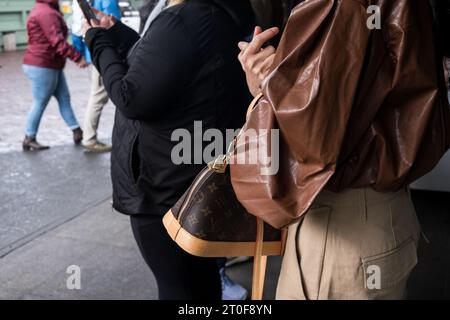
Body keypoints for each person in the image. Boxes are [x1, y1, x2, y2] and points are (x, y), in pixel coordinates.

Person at [234, 0, 450, 300]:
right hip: (388, 214)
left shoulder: (340, 5)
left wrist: (264, 87)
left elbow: (312, 142)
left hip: (340, 230)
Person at [83, 0, 254, 299]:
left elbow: (131, 97)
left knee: (179, 286)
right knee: (201, 284)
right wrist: (118, 34)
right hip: (196, 184)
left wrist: (98, 42)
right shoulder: (219, 13)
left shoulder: (180, 20)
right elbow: (162, 66)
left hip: (164, 192)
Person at [22, 0, 88, 151]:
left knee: (64, 98)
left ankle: (77, 131)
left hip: (48, 63)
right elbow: (57, 41)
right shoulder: (47, 13)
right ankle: (29, 137)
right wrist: (77, 57)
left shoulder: (43, 8)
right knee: (40, 102)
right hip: (42, 64)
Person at [82, 0, 121, 152]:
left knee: (97, 96)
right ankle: (89, 138)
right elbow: (113, 26)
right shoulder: (107, 2)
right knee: (98, 97)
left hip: (97, 51)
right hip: (106, 53)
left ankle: (88, 137)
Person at [71, 0, 92, 65]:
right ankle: (82, 62)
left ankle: (88, 63)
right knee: (79, 51)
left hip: (85, 28)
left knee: (89, 56)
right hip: (76, 29)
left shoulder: (88, 1)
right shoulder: (74, 1)